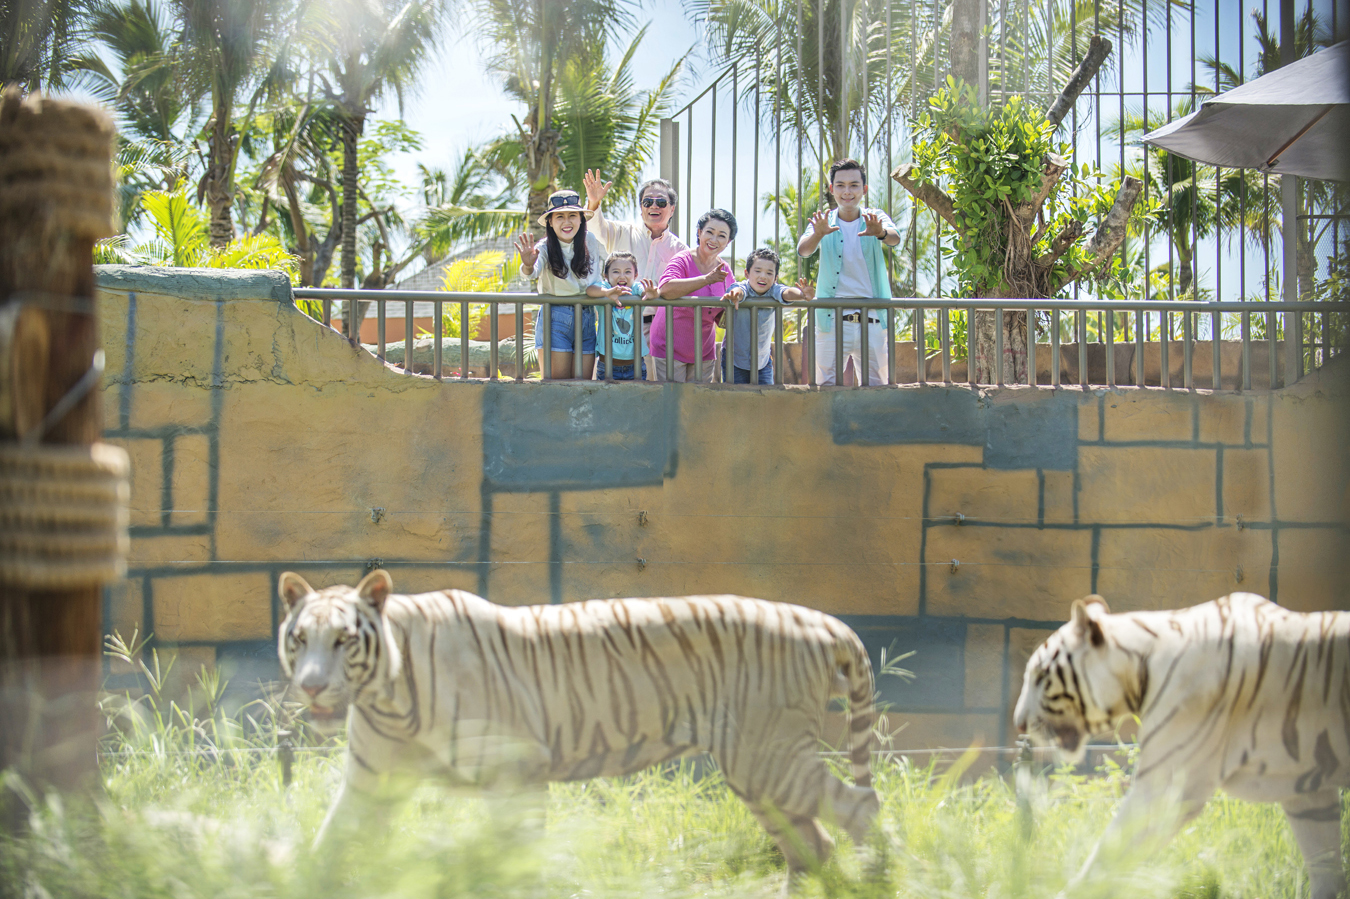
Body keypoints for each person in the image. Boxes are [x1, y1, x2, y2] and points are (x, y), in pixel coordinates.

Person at [795, 158, 902, 386]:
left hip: (872, 317)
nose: (847, 191)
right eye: (840, 185)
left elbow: (895, 239)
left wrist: (880, 232)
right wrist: (818, 234)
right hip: (831, 319)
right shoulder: (823, 221)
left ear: (863, 189)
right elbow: (803, 250)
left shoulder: (875, 217)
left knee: (877, 388)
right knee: (826, 388)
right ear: (832, 189)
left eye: (854, 185)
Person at [582, 170, 687, 379]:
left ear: (672, 208)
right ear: (641, 209)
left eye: (661, 202)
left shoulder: (680, 249)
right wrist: (593, 203)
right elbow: (594, 226)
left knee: (652, 394)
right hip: (616, 332)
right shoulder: (621, 231)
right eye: (647, 202)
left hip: (660, 330)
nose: (654, 206)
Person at [514, 190, 608, 380]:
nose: (567, 222)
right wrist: (527, 264)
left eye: (572, 215)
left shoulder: (591, 241)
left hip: (587, 316)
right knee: (558, 389)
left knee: (583, 388)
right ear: (550, 221)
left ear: (581, 218)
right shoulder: (544, 247)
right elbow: (530, 273)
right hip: (556, 316)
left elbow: (603, 273)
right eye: (560, 216)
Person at [653, 209, 737, 383]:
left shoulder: (725, 270)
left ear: (728, 242)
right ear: (699, 233)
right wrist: (706, 279)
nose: (714, 240)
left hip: (703, 350)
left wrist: (733, 303)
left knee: (696, 404)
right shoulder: (682, 259)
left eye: (722, 236)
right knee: (673, 402)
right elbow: (666, 289)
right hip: (669, 346)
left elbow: (727, 307)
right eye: (709, 232)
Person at [720, 247, 815, 385]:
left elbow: (786, 292)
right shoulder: (743, 287)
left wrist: (802, 294)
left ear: (775, 278)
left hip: (762, 361)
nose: (763, 276)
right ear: (747, 273)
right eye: (757, 271)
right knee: (736, 400)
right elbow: (739, 290)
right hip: (734, 359)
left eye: (769, 273)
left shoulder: (773, 290)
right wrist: (735, 295)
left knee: (765, 400)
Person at [594, 252, 658, 381]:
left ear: (635, 275)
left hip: (635, 367)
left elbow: (648, 292)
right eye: (616, 271)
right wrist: (606, 293)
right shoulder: (605, 288)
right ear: (605, 275)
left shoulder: (635, 289)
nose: (622, 276)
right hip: (607, 366)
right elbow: (590, 290)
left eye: (628, 272)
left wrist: (652, 293)